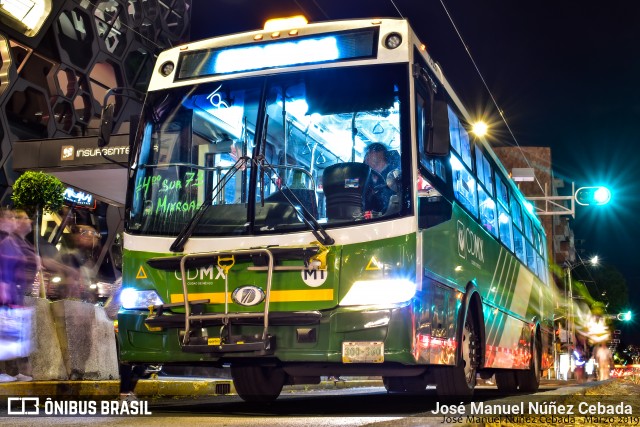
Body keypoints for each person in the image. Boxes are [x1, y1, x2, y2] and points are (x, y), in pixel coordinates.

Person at [363, 143, 398, 213]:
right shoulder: (363, 175)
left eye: (368, 155)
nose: (367, 159)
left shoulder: (394, 177)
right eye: (367, 156)